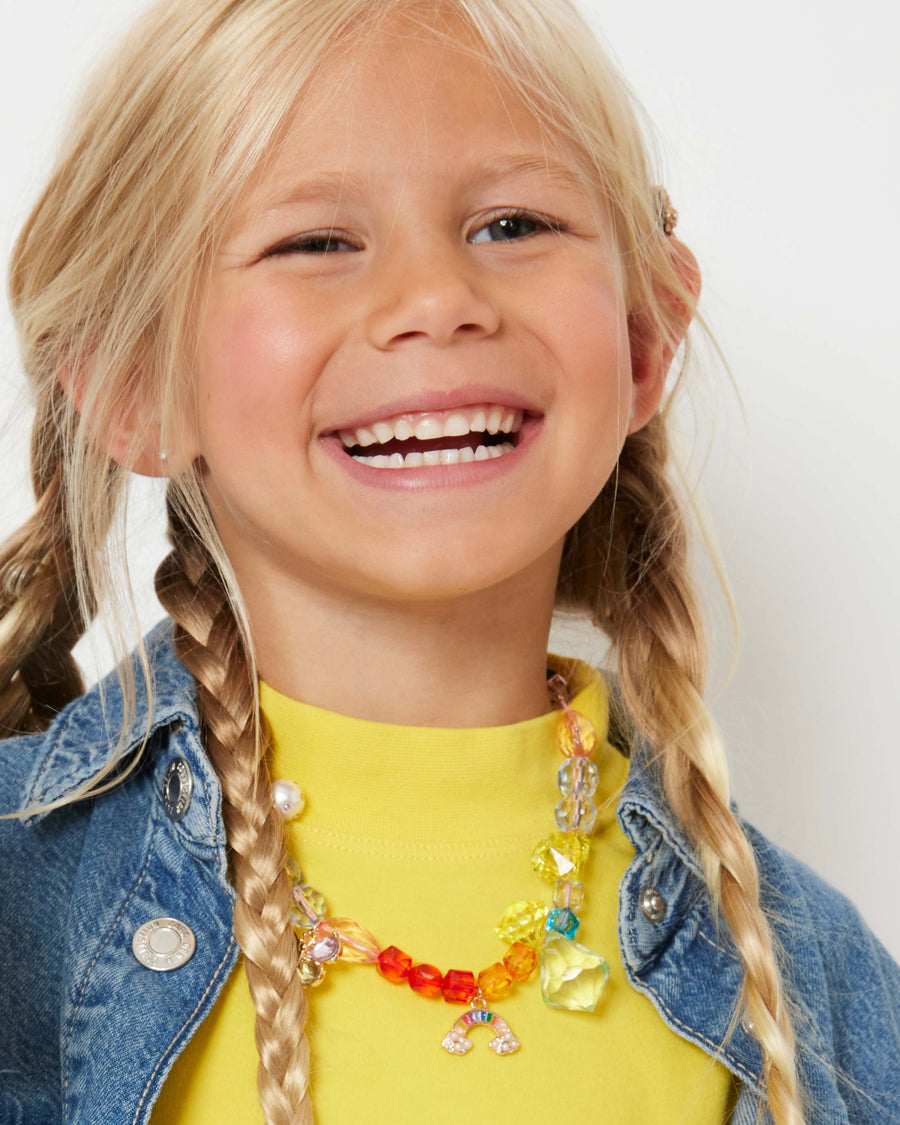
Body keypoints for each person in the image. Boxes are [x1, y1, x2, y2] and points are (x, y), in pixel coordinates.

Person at [0, 0, 897, 1123]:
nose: (438, 300)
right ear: (134, 382)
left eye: (514, 225)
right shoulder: (19, 910)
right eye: (316, 242)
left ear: (643, 335)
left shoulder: (820, 989)